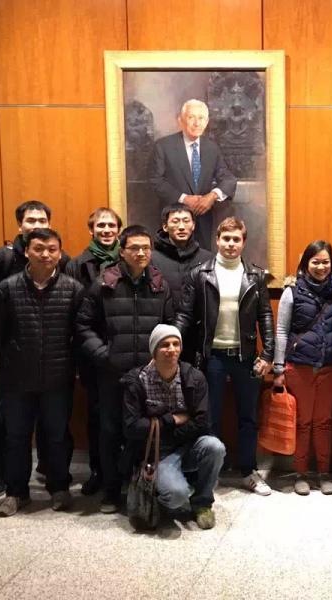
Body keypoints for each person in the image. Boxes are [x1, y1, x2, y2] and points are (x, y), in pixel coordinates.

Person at [77, 225, 174, 513]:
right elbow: (83, 325)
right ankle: (110, 491)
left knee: (143, 432)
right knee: (109, 432)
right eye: (135, 248)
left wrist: (162, 359)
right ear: (122, 251)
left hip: (148, 376)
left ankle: (139, 486)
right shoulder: (103, 284)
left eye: (146, 248)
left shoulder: (159, 284)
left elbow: (170, 325)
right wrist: (104, 355)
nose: (141, 253)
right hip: (112, 373)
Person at [174, 217, 275, 495]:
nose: (231, 244)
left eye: (236, 239)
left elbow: (265, 314)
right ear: (217, 240)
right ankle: (211, 472)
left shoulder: (255, 275)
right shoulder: (200, 273)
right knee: (211, 416)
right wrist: (173, 342)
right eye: (226, 239)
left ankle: (248, 471)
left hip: (246, 358)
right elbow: (185, 314)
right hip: (212, 356)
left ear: (243, 242)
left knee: (248, 417)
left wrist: (268, 353)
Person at [0, 228, 84, 517]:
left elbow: (77, 335)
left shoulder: (73, 289)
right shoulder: (7, 288)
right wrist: (8, 364)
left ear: (60, 253)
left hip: (57, 378)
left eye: (52, 249)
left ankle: (58, 487)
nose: (46, 254)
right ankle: (17, 492)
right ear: (27, 251)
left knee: (56, 435)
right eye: (39, 248)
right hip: (17, 381)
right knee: (16, 437)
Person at [0, 199, 71, 497]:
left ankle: (54, 479)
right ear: (21, 229)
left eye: (42, 220)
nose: (37, 226)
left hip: (56, 371)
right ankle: (3, 478)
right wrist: (4, 358)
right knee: (8, 427)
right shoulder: (2, 268)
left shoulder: (70, 281)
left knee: (55, 432)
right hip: (15, 372)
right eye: (31, 221)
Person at [122, 325, 226, 529]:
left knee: (215, 447)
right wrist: (172, 420)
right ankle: (160, 497)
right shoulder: (137, 381)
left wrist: (162, 428)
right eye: (164, 345)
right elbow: (132, 427)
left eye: (175, 344)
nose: (171, 349)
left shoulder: (194, 378)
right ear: (153, 350)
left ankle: (202, 503)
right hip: (157, 454)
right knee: (177, 495)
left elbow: (202, 422)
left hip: (188, 447)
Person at [272, 241, 332, 496]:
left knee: (324, 421)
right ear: (305, 264)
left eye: (326, 262)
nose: (321, 267)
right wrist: (278, 367)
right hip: (298, 366)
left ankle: (323, 472)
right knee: (302, 422)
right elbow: (281, 330)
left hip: (330, 365)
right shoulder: (292, 292)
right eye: (315, 262)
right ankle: (300, 473)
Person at [65, 207, 124, 497]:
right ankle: (98, 471)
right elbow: (73, 311)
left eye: (111, 225)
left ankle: (123, 471)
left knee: (125, 413)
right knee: (97, 414)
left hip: (123, 347)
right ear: (92, 230)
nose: (106, 230)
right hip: (92, 350)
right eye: (101, 225)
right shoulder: (77, 264)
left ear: (118, 230)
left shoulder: (128, 261)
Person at [150, 99, 238, 251]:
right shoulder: (164, 146)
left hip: (202, 222)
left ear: (207, 121)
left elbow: (228, 179)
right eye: (191, 117)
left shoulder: (211, 148)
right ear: (181, 120)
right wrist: (184, 198)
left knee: (202, 266)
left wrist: (211, 197)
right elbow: (155, 181)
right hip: (174, 220)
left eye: (201, 118)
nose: (197, 123)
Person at [151, 203, 213, 307]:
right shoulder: (151, 259)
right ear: (165, 227)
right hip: (162, 321)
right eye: (175, 222)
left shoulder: (208, 259)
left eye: (186, 221)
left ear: (193, 225)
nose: (181, 227)